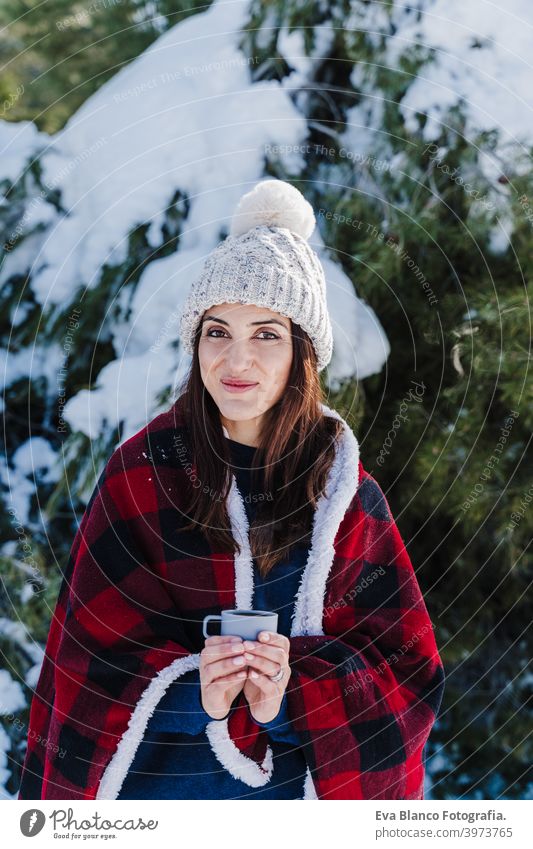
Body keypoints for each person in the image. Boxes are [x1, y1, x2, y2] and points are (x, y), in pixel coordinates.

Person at [18, 179, 444, 800]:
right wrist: (196, 690)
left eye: (266, 334)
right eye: (217, 332)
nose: (236, 360)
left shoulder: (346, 497)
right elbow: (86, 666)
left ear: (302, 352)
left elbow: (405, 672)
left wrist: (292, 691)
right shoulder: (142, 474)